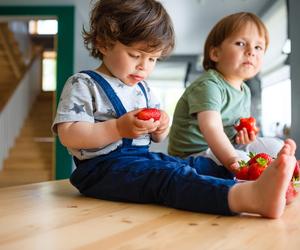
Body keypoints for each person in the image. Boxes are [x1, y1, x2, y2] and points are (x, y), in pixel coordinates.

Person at [52, 0, 297, 219]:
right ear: (103, 43)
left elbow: (157, 137)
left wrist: (160, 127)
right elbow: (70, 134)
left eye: (152, 59)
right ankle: (248, 198)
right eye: (135, 55)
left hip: (140, 159)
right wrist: (117, 127)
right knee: (167, 179)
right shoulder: (84, 84)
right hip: (100, 171)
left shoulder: (143, 89)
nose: (143, 67)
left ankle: (263, 181)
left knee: (191, 167)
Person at [168, 12, 284, 173]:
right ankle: (262, 181)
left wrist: (245, 137)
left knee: (276, 147)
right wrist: (232, 159)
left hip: (227, 147)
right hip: (192, 155)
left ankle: (279, 172)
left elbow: (234, 129)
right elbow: (211, 127)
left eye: (258, 47)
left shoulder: (245, 91)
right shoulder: (209, 85)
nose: (251, 51)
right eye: (241, 43)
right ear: (216, 53)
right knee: (244, 160)